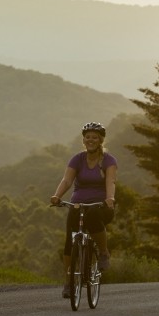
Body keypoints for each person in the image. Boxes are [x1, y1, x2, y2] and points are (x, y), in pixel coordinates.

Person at [49, 121, 117, 298]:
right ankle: (68, 281)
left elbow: (111, 181)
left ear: (101, 140)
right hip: (78, 204)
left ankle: (103, 252)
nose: (91, 140)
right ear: (84, 140)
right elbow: (67, 181)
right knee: (69, 241)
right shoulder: (77, 159)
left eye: (95, 137)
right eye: (88, 137)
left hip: (101, 206)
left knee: (93, 216)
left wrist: (110, 198)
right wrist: (57, 196)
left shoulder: (108, 160)